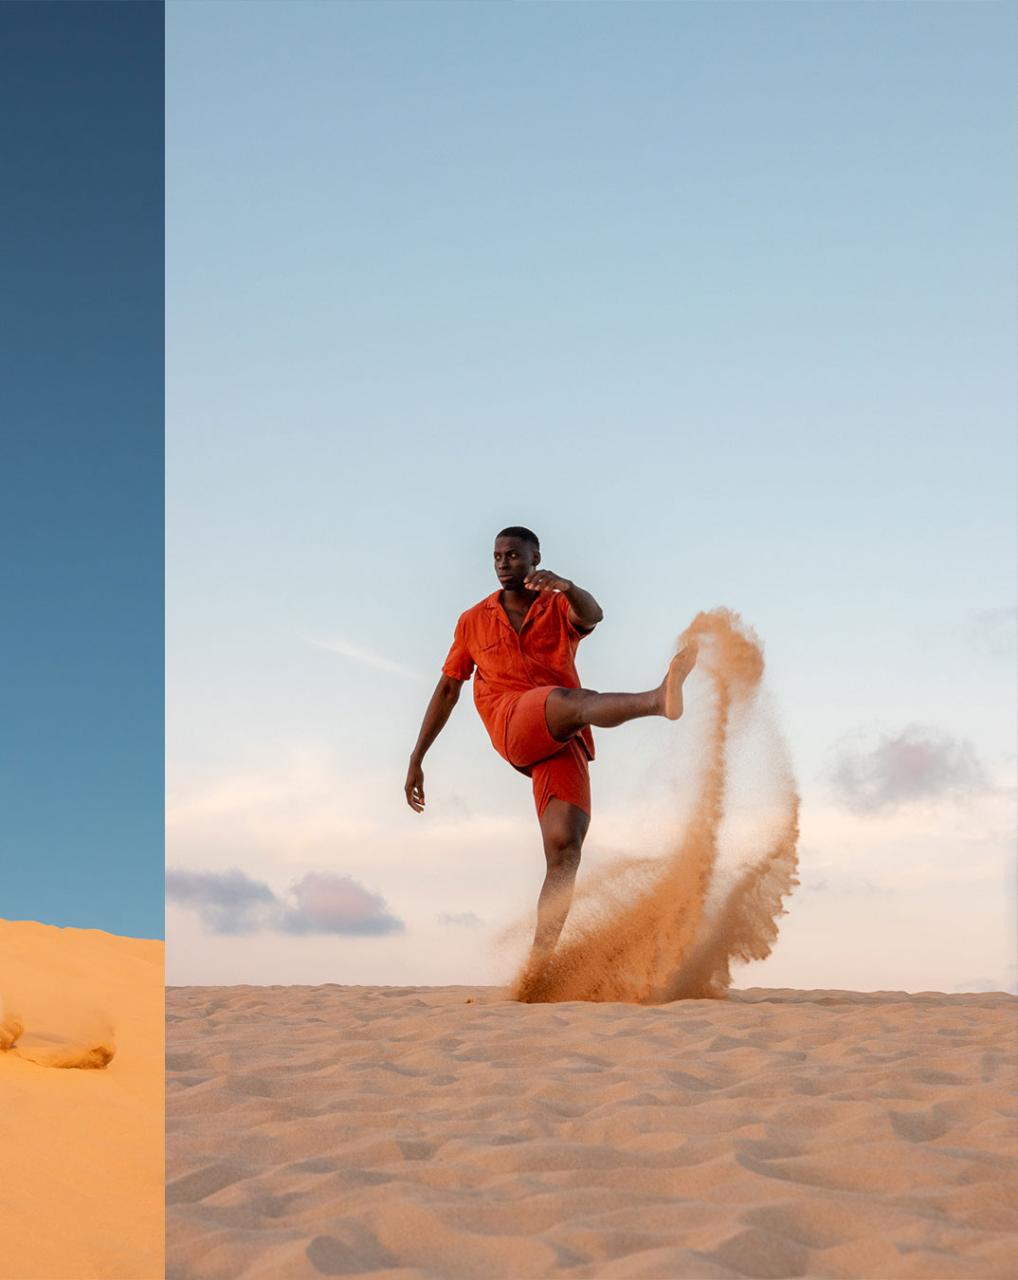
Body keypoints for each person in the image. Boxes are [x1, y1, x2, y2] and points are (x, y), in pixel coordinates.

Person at [404, 526, 697, 965]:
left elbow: (593, 614)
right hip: (512, 721)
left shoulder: (560, 604)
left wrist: (569, 586)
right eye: (498, 556)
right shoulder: (473, 619)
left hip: (563, 738)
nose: (504, 562)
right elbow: (448, 689)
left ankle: (540, 967)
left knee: (565, 849)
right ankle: (657, 701)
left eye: (514, 555)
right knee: (569, 701)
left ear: (535, 557)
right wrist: (416, 757)